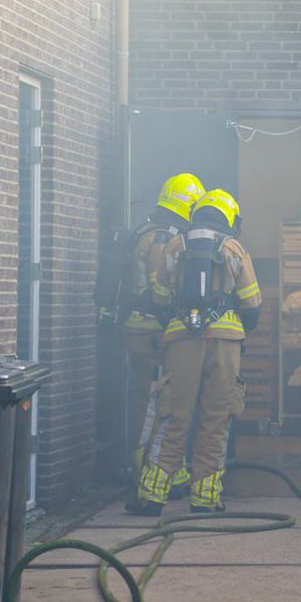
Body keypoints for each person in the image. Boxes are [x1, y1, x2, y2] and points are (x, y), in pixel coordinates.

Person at [129, 189, 261, 515]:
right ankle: (205, 498)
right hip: (225, 343)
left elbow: (159, 299)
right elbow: (252, 304)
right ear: (229, 217)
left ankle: (152, 495)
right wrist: (236, 329)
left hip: (181, 340)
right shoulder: (234, 248)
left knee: (173, 415)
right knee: (216, 419)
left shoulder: (176, 245)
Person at [125, 173, 205, 477]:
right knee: (154, 401)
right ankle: (148, 469)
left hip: (144, 329)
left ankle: (159, 464)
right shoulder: (163, 237)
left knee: (156, 398)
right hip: (152, 330)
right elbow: (160, 289)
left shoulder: (148, 229)